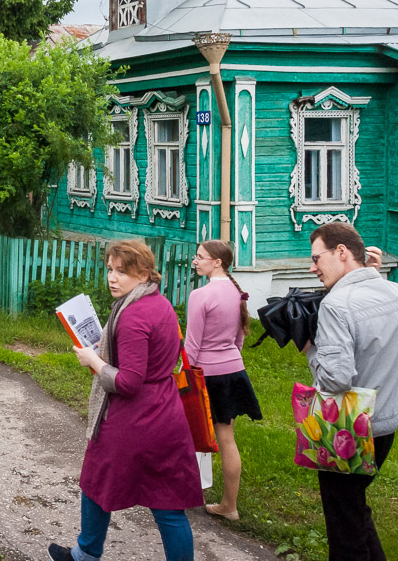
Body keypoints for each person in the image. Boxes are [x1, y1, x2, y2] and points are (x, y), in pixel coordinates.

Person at [48, 240, 202, 561]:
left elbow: (129, 382)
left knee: (95, 483)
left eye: (122, 271)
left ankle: (85, 555)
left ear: (144, 273)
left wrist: (94, 360)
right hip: (165, 413)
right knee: (168, 505)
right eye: (110, 269)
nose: (112, 278)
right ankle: (85, 553)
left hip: (134, 419)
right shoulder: (159, 302)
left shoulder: (133, 315)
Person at [303, 223, 398, 561]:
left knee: (344, 531)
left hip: (347, 431)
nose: (312, 267)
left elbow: (336, 380)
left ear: (342, 253)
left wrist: (309, 347)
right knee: (355, 511)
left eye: (317, 258)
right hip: (385, 425)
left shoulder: (336, 305)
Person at [186, 239, 262, 522]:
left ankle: (185, 495)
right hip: (233, 372)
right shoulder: (237, 291)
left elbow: (192, 346)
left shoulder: (200, 295)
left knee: (190, 436)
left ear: (217, 262)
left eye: (200, 256)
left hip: (205, 375)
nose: (196, 261)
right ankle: (229, 505)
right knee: (226, 440)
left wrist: (185, 378)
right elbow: (239, 337)